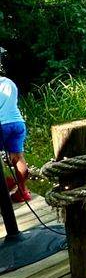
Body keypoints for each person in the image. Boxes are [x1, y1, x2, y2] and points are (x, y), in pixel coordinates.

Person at [0, 72, 31, 202]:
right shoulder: (8, 81)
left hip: (1, 123)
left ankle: (7, 183)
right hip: (17, 122)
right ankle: (23, 192)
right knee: (18, 157)